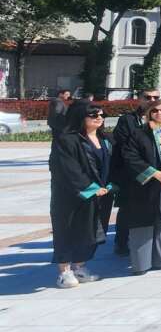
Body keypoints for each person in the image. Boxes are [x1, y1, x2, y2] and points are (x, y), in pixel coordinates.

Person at [120, 99, 161, 274]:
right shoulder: (138, 133)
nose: (160, 113)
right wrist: (155, 174)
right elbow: (130, 156)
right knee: (143, 224)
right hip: (144, 186)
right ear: (149, 113)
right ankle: (141, 264)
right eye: (155, 110)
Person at [50, 103, 113, 288]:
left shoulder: (105, 139)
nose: (99, 118)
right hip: (70, 196)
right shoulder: (67, 140)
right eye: (93, 115)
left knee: (90, 232)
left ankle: (79, 267)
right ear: (80, 117)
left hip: (100, 195)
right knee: (66, 231)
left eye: (102, 115)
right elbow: (68, 169)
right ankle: (64, 272)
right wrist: (90, 188)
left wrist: (110, 185)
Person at [109, 90, 160, 255]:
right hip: (131, 173)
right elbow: (123, 146)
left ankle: (149, 244)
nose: (152, 100)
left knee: (152, 208)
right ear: (139, 99)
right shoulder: (128, 120)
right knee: (127, 209)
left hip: (156, 172)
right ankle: (121, 243)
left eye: (156, 97)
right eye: (148, 97)